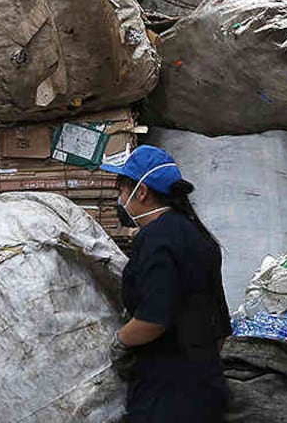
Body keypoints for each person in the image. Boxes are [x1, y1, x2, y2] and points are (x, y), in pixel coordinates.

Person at [101, 145, 231, 422]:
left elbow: (152, 320)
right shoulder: (200, 236)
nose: (120, 200)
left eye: (122, 191)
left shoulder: (155, 239)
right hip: (208, 388)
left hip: (165, 398)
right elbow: (219, 328)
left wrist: (119, 342)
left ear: (142, 192)